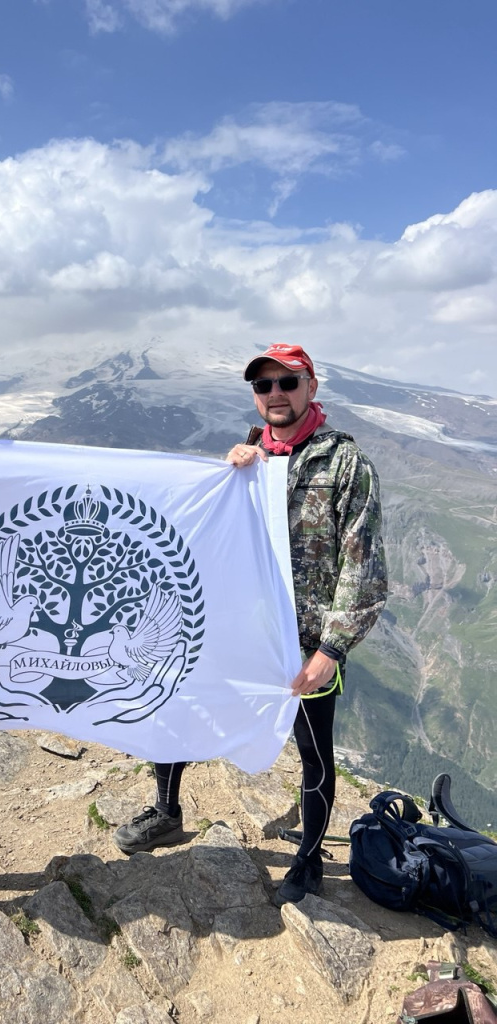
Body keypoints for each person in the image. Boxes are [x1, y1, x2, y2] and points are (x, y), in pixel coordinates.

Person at [112, 342, 388, 907]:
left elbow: (364, 567)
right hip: (237, 629)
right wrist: (225, 475)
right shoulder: (247, 457)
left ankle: (308, 860)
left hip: (304, 642)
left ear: (311, 387)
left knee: (313, 751)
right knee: (178, 701)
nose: (275, 395)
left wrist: (332, 649)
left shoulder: (344, 463)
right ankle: (166, 811)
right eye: (264, 386)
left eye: (287, 383)